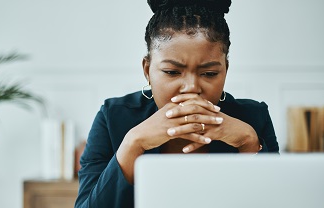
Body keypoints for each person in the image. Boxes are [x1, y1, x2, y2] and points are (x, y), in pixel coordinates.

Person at [74, 0, 279, 207]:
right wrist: (133, 144)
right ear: (147, 70)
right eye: (172, 72)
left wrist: (249, 143)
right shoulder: (113, 118)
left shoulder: (254, 118)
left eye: (209, 73)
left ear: (225, 71)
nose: (191, 87)